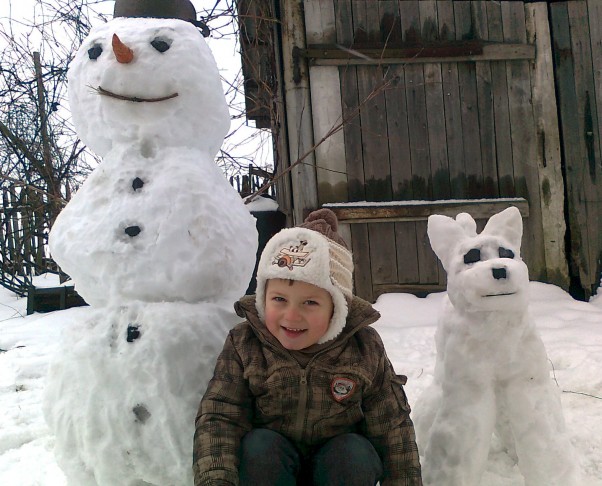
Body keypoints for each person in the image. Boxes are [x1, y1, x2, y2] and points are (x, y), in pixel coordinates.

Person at [193, 208, 422, 486]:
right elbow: (220, 416)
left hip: (337, 467)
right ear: (263, 297)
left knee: (354, 452)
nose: (291, 316)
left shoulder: (363, 348)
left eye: (310, 302)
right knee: (259, 446)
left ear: (337, 308)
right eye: (279, 299)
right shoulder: (245, 343)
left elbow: (392, 426)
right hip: (271, 467)